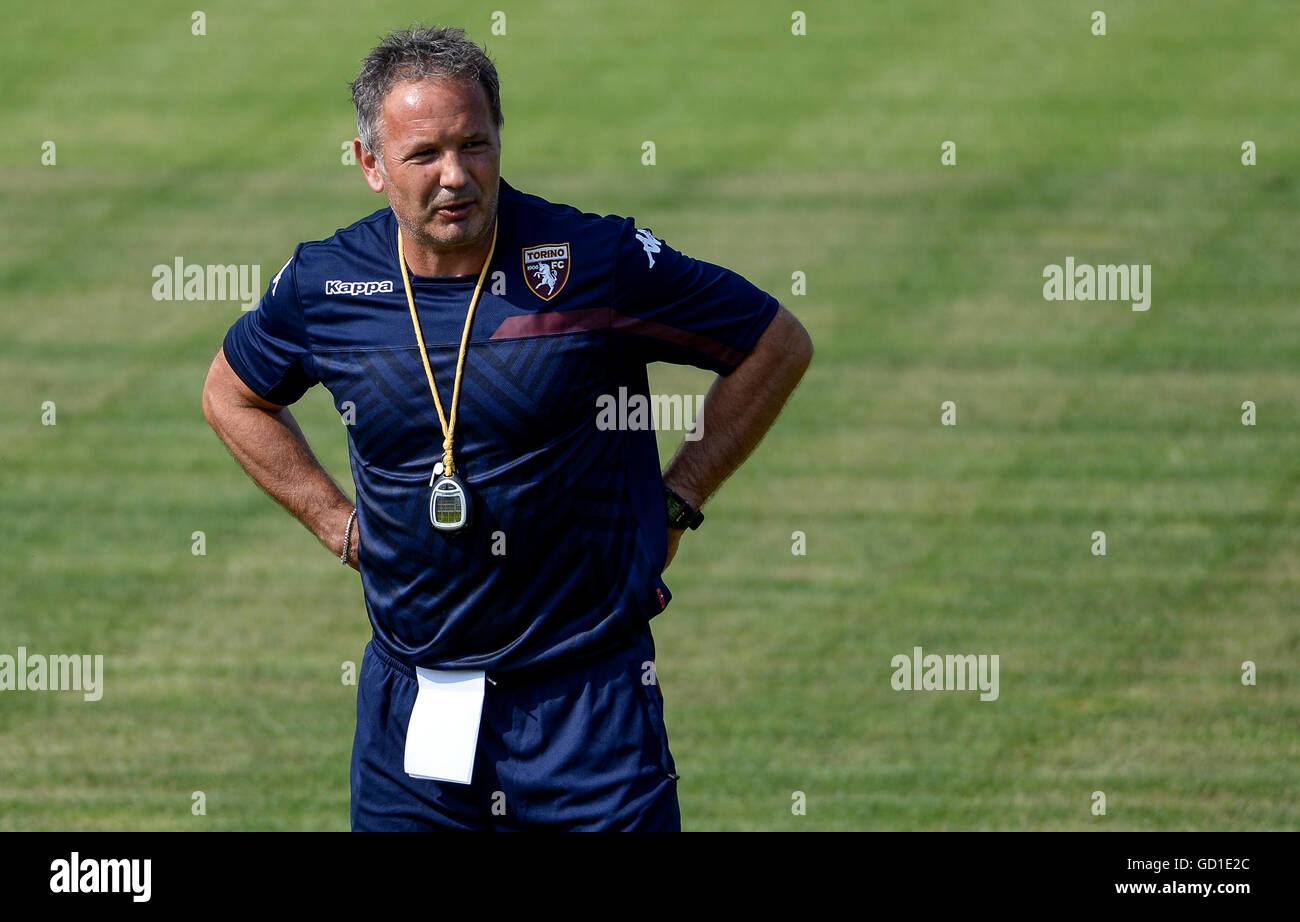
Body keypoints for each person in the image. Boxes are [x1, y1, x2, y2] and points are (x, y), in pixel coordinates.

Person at [201, 24, 812, 831]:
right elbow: (231, 393)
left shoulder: (594, 260)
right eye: (424, 155)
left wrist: (680, 498)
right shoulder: (327, 284)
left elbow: (773, 344)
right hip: (414, 706)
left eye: (474, 145)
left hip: (588, 705)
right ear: (370, 164)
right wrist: (334, 523)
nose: (455, 176)